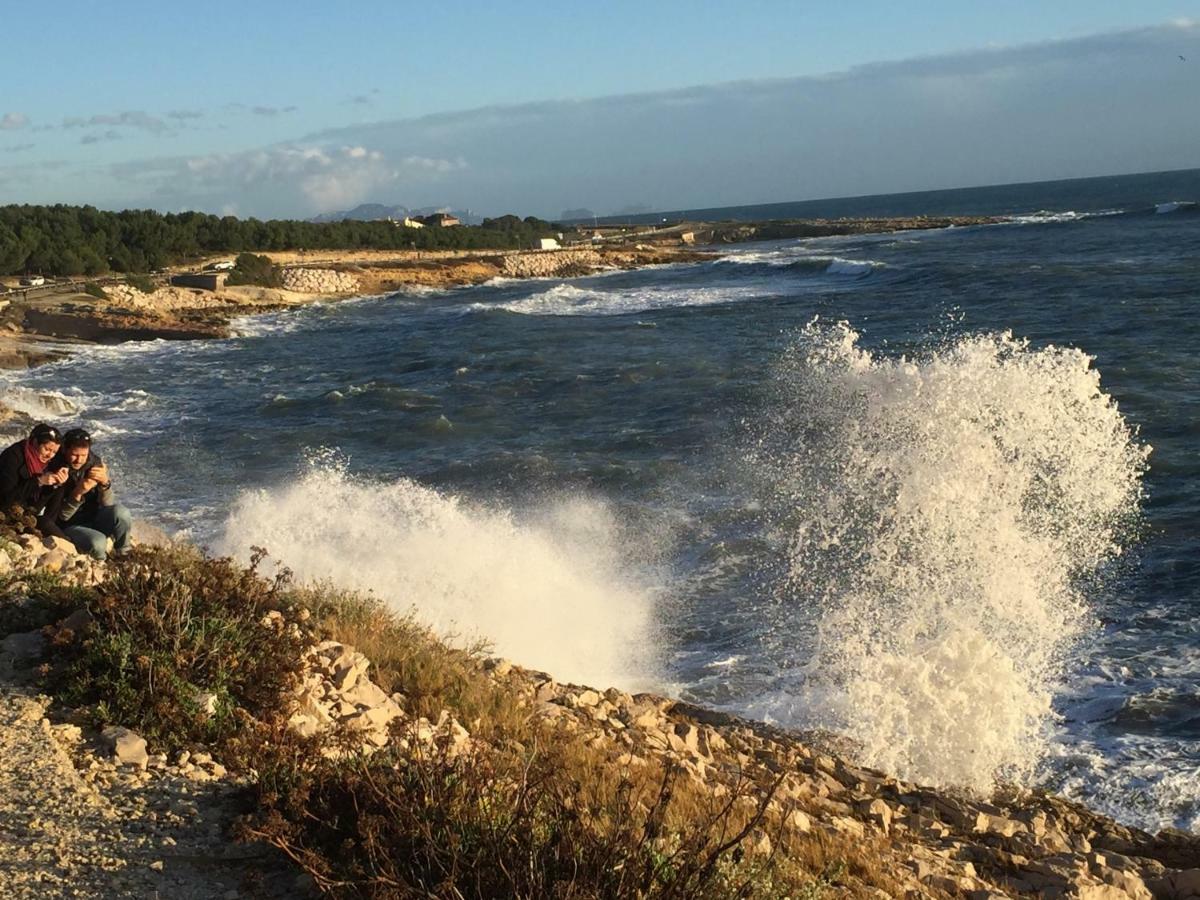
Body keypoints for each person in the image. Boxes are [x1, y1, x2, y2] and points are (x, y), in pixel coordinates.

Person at [47, 428, 133, 560]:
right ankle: (101, 567)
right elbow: (62, 517)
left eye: (83, 455)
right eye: (75, 455)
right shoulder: (55, 468)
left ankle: (124, 556)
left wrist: (105, 484)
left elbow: (107, 504)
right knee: (98, 542)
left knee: (122, 512)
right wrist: (78, 492)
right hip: (70, 525)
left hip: (94, 517)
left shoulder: (94, 464)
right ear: (64, 450)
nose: (79, 460)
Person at [0, 423, 68, 518]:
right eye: (47, 449)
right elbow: (5, 499)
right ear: (35, 442)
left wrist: (57, 482)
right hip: (6, 512)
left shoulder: (49, 461)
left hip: (31, 512)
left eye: (54, 452)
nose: (50, 455)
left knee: (58, 487)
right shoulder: (12, 457)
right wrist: (38, 481)